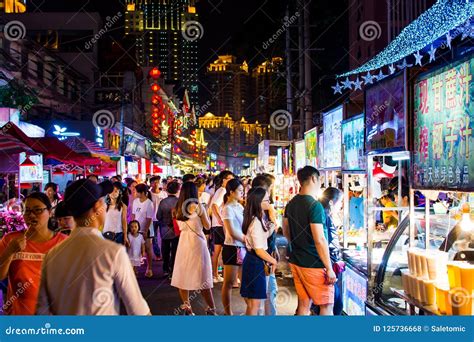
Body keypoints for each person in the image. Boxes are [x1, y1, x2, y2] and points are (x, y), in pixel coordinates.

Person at [36, 179, 150, 315]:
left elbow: (42, 312)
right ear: (97, 207)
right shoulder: (112, 252)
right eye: (103, 201)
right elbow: (138, 311)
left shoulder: (52, 255)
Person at [0, 193, 67, 315]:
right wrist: (9, 252)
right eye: (27, 210)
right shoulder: (10, 240)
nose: (31, 215)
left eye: (37, 210)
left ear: (50, 211)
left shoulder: (65, 242)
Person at [282, 166, 337, 316]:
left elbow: (286, 230)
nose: (320, 183)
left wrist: (298, 244)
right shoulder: (315, 205)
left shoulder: (291, 203)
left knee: (304, 304)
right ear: (313, 178)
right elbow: (319, 239)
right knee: (326, 306)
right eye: (319, 179)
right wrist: (329, 267)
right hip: (314, 263)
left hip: (297, 261)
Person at [171, 182, 216, 315]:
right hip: (197, 242)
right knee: (203, 277)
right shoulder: (199, 207)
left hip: (184, 242)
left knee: (183, 276)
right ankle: (211, 309)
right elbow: (207, 226)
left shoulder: (177, 208)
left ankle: (187, 308)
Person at [240, 187, 277, 315]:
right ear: (258, 202)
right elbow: (259, 250)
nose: (269, 202)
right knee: (254, 305)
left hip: (253, 261)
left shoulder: (257, 218)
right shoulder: (256, 221)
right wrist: (274, 261)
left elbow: (261, 238)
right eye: (266, 200)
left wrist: (271, 228)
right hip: (255, 263)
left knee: (253, 304)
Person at [316, 187, 344, 315]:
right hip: (328, 266)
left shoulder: (326, 216)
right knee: (331, 304)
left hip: (329, 265)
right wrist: (329, 269)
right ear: (332, 202)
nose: (342, 205)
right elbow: (323, 242)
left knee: (332, 304)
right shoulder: (325, 218)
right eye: (340, 202)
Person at [221, 178, 245, 315]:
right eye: (240, 191)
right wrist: (246, 239)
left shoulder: (239, 206)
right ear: (231, 192)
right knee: (229, 283)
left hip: (242, 247)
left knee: (245, 281)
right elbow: (231, 231)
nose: (242, 193)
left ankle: (250, 309)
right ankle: (227, 312)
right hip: (232, 247)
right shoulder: (227, 208)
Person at [209, 170, 234, 283]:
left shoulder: (221, 190)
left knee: (218, 251)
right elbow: (214, 206)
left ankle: (216, 274)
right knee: (219, 251)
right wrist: (220, 219)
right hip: (219, 226)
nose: (230, 180)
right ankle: (215, 275)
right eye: (228, 178)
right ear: (224, 180)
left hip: (217, 225)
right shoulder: (223, 190)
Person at [157, 181, 180, 278]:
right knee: (175, 250)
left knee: (165, 250)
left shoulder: (163, 202)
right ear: (177, 190)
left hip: (164, 229)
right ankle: (173, 269)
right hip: (176, 229)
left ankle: (166, 269)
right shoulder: (179, 202)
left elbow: (158, 216)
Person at [132, 184, 155, 278]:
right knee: (135, 249)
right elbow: (133, 215)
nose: (135, 193)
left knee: (148, 249)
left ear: (142, 193)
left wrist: (145, 231)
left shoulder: (149, 203)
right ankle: (134, 268)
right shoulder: (135, 201)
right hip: (136, 229)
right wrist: (132, 227)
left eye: (136, 191)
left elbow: (149, 218)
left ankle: (149, 269)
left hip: (147, 229)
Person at [103, 182, 129, 246]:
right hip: (106, 233)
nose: (113, 193)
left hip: (118, 234)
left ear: (119, 193)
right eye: (112, 191)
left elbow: (124, 221)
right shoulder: (104, 205)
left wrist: (125, 236)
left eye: (116, 191)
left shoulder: (123, 206)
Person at [150, 176, 167, 260]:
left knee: (164, 236)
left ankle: (164, 253)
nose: (156, 184)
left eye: (157, 182)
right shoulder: (148, 194)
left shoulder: (164, 194)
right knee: (154, 238)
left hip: (162, 218)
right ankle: (157, 254)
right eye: (154, 182)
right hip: (152, 219)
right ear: (151, 184)